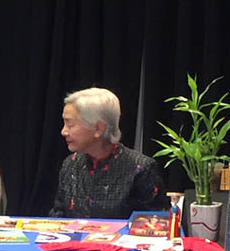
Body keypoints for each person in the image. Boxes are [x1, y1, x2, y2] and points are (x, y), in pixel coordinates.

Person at [50, 87, 168, 218]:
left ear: (98, 128)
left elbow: (156, 225)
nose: (63, 132)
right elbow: (58, 219)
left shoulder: (141, 169)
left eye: (70, 124)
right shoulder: (70, 164)